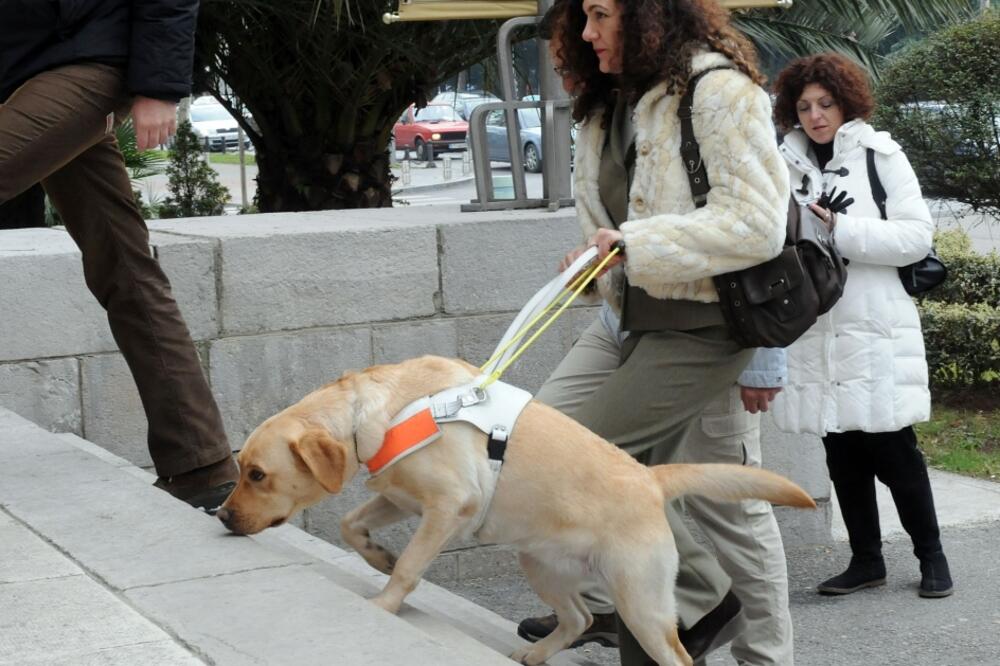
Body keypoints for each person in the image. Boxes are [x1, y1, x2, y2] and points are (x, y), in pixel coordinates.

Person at [515, 1, 790, 663]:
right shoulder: (607, 105)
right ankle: (650, 614)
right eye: (580, 18)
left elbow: (759, 224)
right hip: (627, 320)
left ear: (648, 17)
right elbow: (617, 217)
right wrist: (597, 261)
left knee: (719, 507)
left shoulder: (718, 90)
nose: (585, 34)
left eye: (601, 15)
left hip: (705, 326)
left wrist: (635, 245)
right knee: (533, 448)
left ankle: (710, 609)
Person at [0, 0, 238, 512]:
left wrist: (159, 85)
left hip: (88, 60)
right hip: (28, 68)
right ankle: (200, 463)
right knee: (124, 264)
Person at [770, 53, 953, 599]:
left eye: (825, 103)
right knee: (842, 453)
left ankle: (932, 558)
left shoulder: (881, 155)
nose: (815, 116)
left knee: (895, 448)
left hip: (874, 324)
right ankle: (865, 560)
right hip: (816, 325)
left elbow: (915, 237)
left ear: (846, 101)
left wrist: (840, 229)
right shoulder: (785, 165)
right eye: (803, 107)